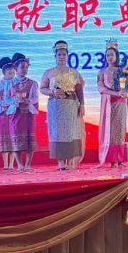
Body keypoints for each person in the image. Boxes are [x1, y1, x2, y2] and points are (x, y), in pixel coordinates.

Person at [40, 40, 85, 170]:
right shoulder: (49, 72)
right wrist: (52, 92)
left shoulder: (74, 72)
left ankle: (70, 161)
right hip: (55, 106)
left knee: (71, 132)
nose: (61, 57)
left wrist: (82, 105)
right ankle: (60, 162)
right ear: (55, 56)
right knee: (57, 133)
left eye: (64, 54)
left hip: (71, 105)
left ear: (67, 56)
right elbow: (42, 88)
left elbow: (79, 89)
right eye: (59, 54)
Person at [97, 40, 128, 168]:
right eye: (108, 55)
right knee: (110, 131)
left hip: (121, 103)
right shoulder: (102, 72)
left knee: (120, 130)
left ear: (116, 56)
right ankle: (112, 160)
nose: (110, 57)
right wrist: (115, 93)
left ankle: (120, 159)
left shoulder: (122, 70)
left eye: (112, 55)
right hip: (109, 104)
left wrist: (127, 90)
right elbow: (101, 88)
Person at [10, 53, 39, 171]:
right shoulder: (10, 83)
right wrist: (16, 101)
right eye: (22, 67)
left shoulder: (33, 83)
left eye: (26, 67)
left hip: (28, 113)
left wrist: (28, 101)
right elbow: (6, 98)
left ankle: (28, 164)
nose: (24, 69)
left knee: (29, 137)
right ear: (16, 68)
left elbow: (35, 98)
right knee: (16, 136)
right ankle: (19, 164)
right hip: (16, 113)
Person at [0, 57, 19, 171]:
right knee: (4, 137)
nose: (11, 75)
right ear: (4, 73)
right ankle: (5, 163)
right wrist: (2, 104)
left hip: (14, 113)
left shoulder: (17, 83)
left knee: (13, 136)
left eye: (13, 73)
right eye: (9, 73)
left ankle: (12, 163)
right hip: (2, 113)